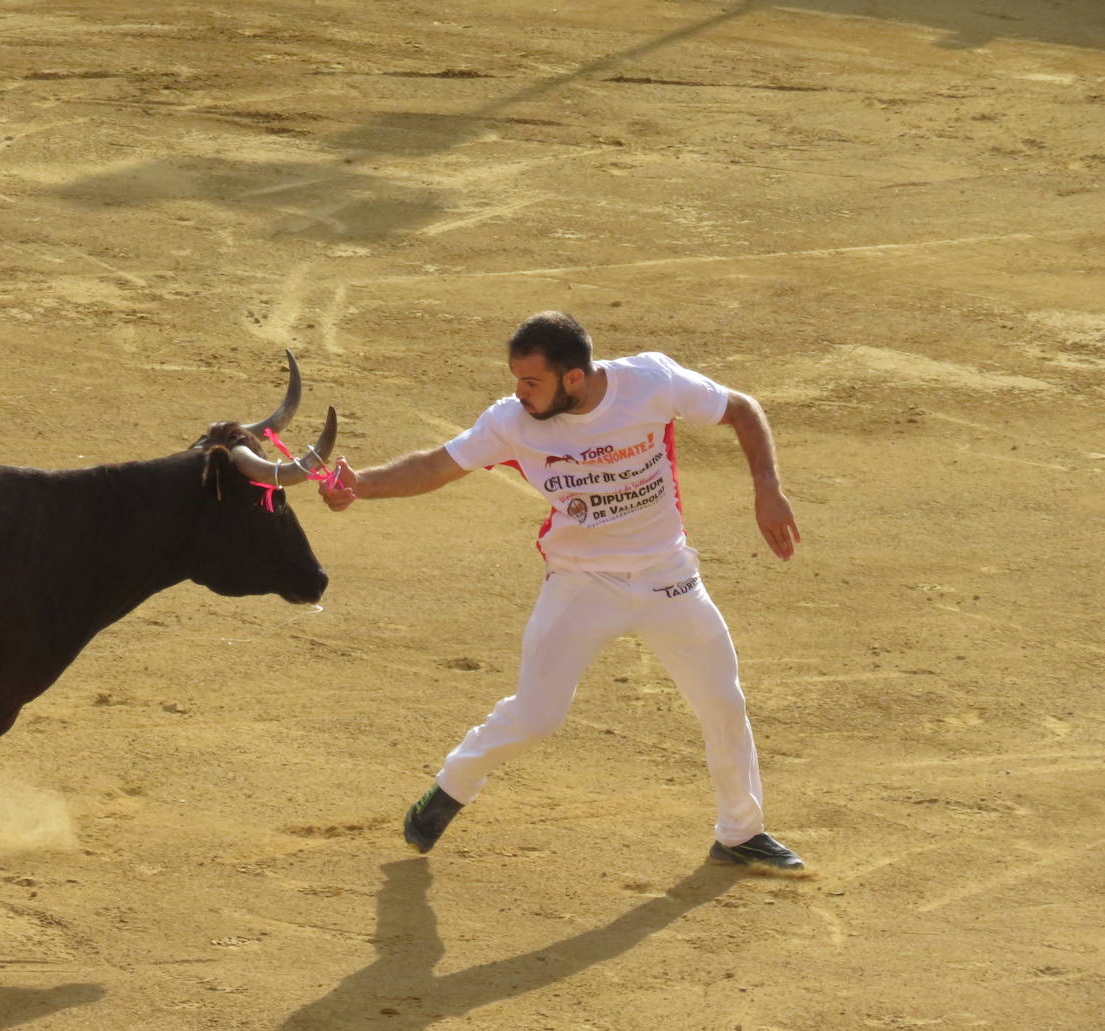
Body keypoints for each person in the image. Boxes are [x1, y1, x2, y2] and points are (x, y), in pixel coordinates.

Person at [319, 311, 805, 872]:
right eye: (516, 380)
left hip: (667, 573)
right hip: (579, 583)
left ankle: (741, 833)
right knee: (536, 715)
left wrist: (768, 489)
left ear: (573, 377)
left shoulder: (651, 382)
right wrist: (362, 487)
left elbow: (742, 410)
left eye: (532, 382)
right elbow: (436, 466)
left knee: (722, 701)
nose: (519, 393)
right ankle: (453, 784)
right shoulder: (511, 421)